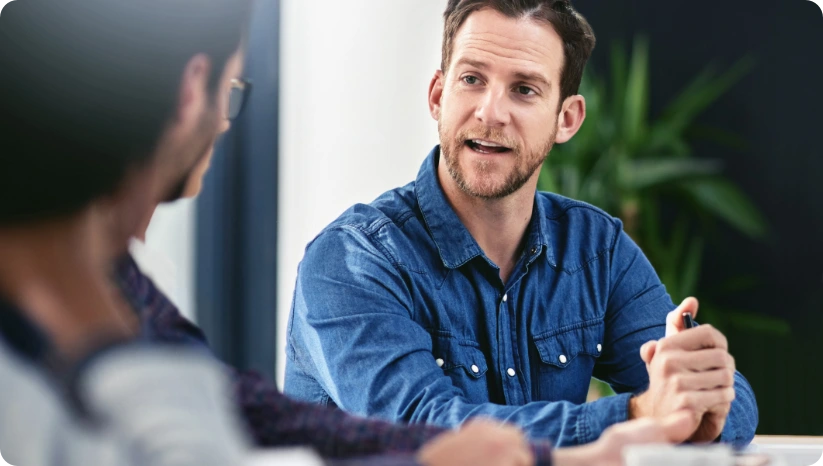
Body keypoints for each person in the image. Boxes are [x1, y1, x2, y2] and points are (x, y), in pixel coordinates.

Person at [284, 0, 759, 448]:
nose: (491, 112)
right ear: (437, 95)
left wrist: (699, 401)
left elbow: (733, 405)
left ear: (566, 119)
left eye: (524, 89)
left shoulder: (597, 250)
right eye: (471, 79)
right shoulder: (351, 261)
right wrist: (637, 416)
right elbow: (428, 435)